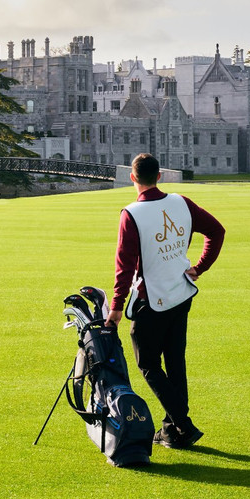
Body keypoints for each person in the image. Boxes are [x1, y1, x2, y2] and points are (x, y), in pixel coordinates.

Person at [105, 153, 225, 449]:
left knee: (147, 362)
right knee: (174, 361)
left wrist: (117, 307)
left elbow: (125, 266)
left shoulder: (131, 213)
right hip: (181, 293)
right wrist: (199, 267)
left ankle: (183, 424)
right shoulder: (181, 202)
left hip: (153, 299)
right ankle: (174, 430)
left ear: (132, 178)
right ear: (159, 176)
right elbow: (216, 231)